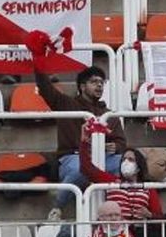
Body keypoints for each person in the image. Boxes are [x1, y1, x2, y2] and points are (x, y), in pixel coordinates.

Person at [36, 65, 125, 222]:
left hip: (103, 159)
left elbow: (121, 142)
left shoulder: (109, 115)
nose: (99, 85)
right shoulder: (65, 104)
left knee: (127, 165)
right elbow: (44, 88)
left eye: (101, 82)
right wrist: (39, 64)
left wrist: (116, 147)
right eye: (94, 82)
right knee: (81, 168)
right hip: (72, 158)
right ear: (82, 86)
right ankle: (57, 207)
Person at [77, 120, 162, 221]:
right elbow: (87, 169)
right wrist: (84, 142)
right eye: (124, 159)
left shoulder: (148, 188)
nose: (126, 162)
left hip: (138, 232)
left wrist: (149, 215)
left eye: (131, 160)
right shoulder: (112, 181)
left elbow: (160, 216)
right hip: (115, 231)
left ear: (139, 166)